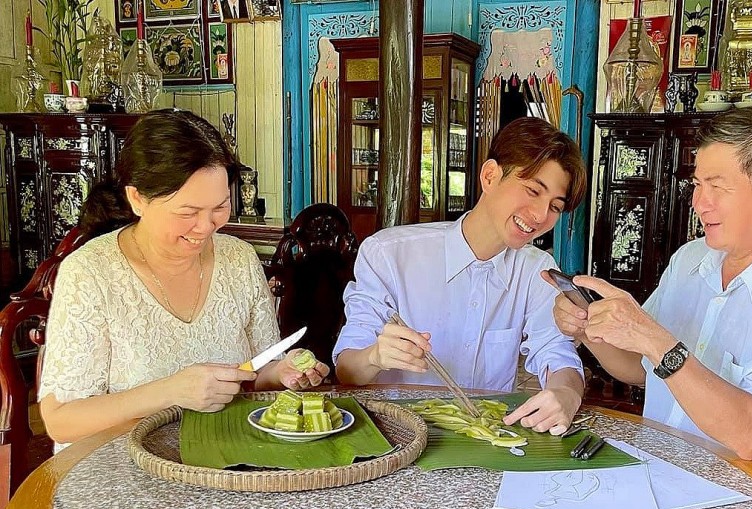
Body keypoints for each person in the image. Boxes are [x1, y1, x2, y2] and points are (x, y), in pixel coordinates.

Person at [548, 106, 752, 509]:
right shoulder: (692, 260)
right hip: (664, 473)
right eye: (696, 184)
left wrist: (654, 337)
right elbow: (639, 367)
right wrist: (589, 329)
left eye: (717, 186)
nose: (698, 202)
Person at [39, 109, 329, 448]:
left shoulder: (238, 259)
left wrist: (281, 373)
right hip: (121, 469)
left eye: (220, 207)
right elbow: (61, 420)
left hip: (223, 455)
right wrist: (170, 391)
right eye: (188, 212)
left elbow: (255, 370)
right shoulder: (90, 273)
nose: (207, 227)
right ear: (137, 199)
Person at [333, 116, 588, 434]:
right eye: (533, 191)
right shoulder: (388, 254)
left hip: (484, 441)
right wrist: (376, 356)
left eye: (555, 206)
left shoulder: (536, 271)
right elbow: (347, 370)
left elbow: (556, 352)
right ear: (490, 176)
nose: (540, 215)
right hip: (394, 438)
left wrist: (565, 395)